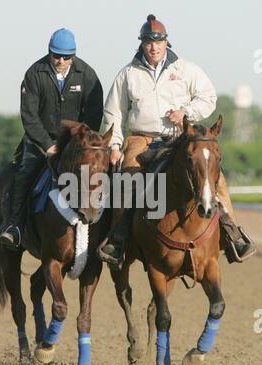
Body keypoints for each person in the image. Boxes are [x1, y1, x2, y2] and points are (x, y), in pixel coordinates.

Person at [99, 14, 256, 265]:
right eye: (149, 42)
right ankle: (118, 239)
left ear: (166, 42)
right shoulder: (127, 74)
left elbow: (208, 98)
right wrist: (115, 146)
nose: (153, 47)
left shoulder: (186, 69)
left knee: (217, 179)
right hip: (142, 138)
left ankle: (232, 234)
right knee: (128, 180)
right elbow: (114, 113)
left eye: (158, 42)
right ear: (142, 43)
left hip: (180, 137)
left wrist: (186, 113)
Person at [0, 28, 103, 249]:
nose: (61, 60)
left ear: (73, 55)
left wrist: (77, 142)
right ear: (49, 52)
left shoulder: (88, 74)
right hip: (40, 142)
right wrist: (48, 145)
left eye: (66, 57)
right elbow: (29, 116)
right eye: (56, 55)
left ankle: (107, 232)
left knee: (97, 171)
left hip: (75, 143)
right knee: (25, 173)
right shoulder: (34, 73)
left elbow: (93, 115)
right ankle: (14, 226)